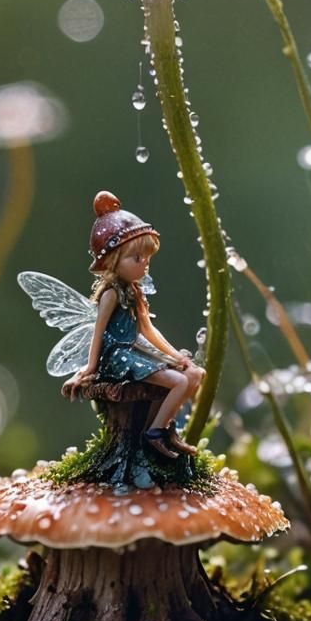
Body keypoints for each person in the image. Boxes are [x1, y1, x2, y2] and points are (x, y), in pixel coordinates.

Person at [64, 191, 203, 459]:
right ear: (113, 260)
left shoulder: (134, 292)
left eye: (147, 260)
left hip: (136, 351)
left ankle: (163, 429)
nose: (144, 266)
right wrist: (90, 367)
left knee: (194, 374)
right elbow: (98, 332)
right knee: (177, 381)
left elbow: (147, 330)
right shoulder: (111, 294)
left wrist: (176, 356)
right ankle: (154, 434)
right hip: (118, 357)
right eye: (137, 259)